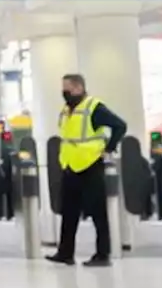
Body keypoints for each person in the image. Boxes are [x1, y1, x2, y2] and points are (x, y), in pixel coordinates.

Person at [46, 73, 128, 267]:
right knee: (69, 212)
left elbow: (120, 126)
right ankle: (65, 252)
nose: (64, 92)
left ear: (78, 88)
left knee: (98, 211)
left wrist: (109, 148)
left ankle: (103, 254)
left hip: (91, 165)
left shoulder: (94, 108)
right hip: (70, 165)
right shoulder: (67, 110)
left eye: (67, 88)